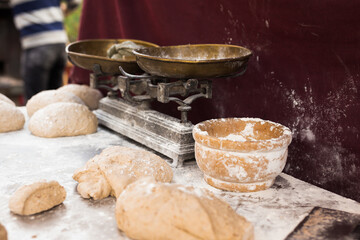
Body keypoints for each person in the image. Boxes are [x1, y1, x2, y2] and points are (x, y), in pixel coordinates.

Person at [10, 0, 81, 101]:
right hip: (60, 42)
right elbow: (75, 2)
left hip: (37, 44)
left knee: (34, 102)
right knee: (54, 101)